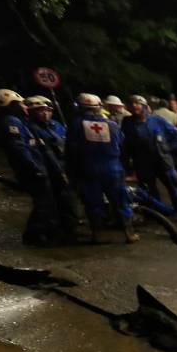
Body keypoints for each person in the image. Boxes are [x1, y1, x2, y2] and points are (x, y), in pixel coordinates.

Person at [0, 89, 64, 246]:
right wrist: (34, 168)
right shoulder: (12, 121)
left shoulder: (17, 121)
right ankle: (35, 235)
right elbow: (19, 148)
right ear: (12, 104)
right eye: (21, 104)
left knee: (46, 203)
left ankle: (42, 234)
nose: (24, 107)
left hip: (35, 167)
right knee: (44, 204)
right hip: (32, 169)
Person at [66, 92, 138, 244]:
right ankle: (129, 233)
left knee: (93, 202)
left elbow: (71, 150)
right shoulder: (111, 124)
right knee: (120, 200)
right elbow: (121, 145)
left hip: (88, 168)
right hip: (113, 168)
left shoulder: (75, 124)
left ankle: (97, 234)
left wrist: (71, 172)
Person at [122, 94, 177, 219]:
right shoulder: (127, 122)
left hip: (163, 161)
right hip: (143, 162)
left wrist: (167, 148)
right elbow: (126, 143)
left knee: (173, 187)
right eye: (131, 103)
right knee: (151, 190)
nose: (134, 106)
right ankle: (159, 214)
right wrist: (127, 163)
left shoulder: (157, 120)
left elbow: (175, 134)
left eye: (137, 103)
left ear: (144, 105)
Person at [24, 96, 79, 240]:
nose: (44, 113)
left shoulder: (57, 125)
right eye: (40, 111)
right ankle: (42, 233)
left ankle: (68, 229)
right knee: (48, 203)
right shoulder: (31, 128)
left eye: (47, 110)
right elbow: (46, 152)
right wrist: (59, 172)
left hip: (64, 166)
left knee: (67, 200)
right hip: (49, 170)